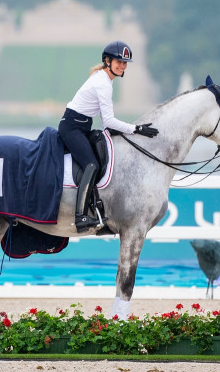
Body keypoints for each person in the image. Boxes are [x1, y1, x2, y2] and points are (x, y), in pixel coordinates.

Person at [58, 40, 159, 232]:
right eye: (118, 62)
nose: (122, 66)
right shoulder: (103, 84)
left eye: (124, 63)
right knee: (91, 164)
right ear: (107, 61)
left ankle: (95, 206)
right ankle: (80, 216)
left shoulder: (102, 77)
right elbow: (109, 122)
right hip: (72, 129)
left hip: (82, 127)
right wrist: (136, 129)